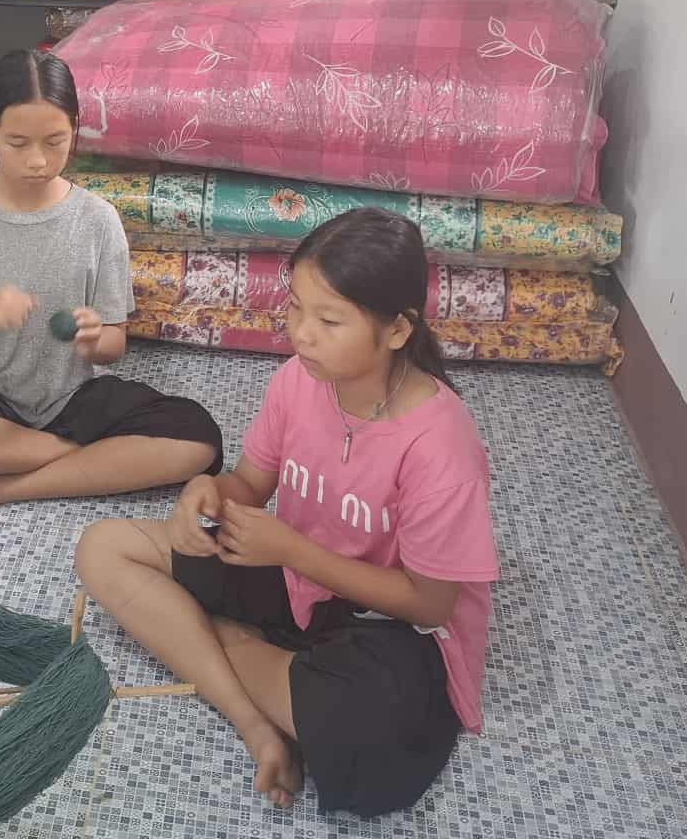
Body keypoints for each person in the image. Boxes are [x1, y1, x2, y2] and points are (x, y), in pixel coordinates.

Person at [73, 209, 499, 816]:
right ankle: (255, 720)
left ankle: (206, 637)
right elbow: (249, 482)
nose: (301, 334)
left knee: (372, 755)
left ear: (398, 330)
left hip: (385, 621)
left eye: (329, 320)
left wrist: (292, 552)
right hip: (293, 575)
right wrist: (206, 491)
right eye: (296, 308)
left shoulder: (439, 444)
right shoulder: (300, 381)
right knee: (104, 548)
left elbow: (431, 604)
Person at [0, 51, 222, 509]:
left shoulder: (97, 220)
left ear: (76, 128)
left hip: (72, 402)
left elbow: (113, 346)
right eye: (17, 142)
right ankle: (98, 461)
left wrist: (93, 340)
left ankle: (6, 487)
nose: (37, 161)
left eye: (54, 142)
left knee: (198, 436)